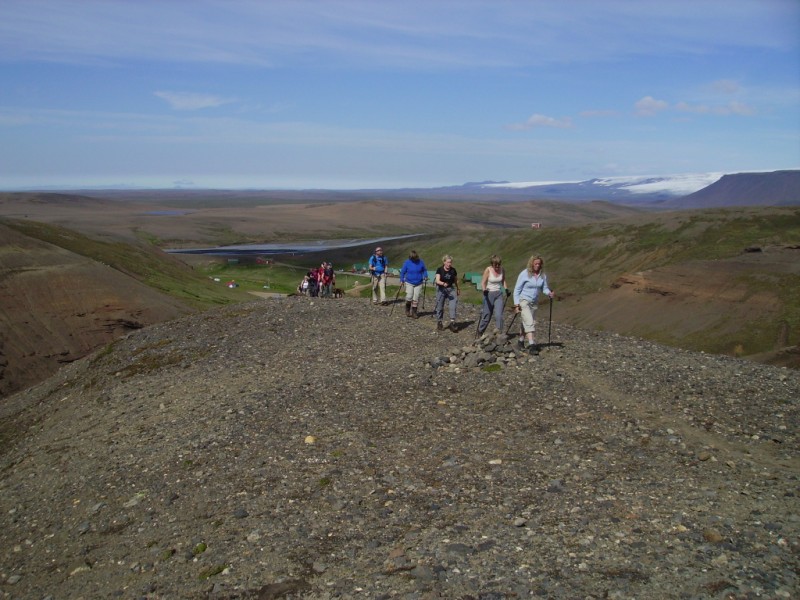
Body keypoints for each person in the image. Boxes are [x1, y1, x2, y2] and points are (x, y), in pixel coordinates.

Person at [512, 255, 555, 355]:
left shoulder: (542, 275)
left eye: (539, 264)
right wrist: (516, 304)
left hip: (534, 302)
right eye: (536, 263)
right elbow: (517, 289)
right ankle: (532, 345)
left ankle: (520, 341)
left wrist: (549, 293)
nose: (537, 265)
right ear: (531, 263)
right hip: (524, 301)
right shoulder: (524, 274)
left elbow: (544, 288)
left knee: (527, 322)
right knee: (529, 322)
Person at [477, 255, 508, 335]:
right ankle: (480, 331)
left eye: (498, 265)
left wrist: (506, 289)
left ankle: (499, 332)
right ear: (492, 264)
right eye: (495, 265)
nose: (497, 267)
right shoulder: (488, 270)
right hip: (489, 293)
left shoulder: (502, 269)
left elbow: (503, 280)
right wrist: (484, 290)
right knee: (487, 315)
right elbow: (483, 282)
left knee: (499, 315)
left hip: (498, 294)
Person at [434, 254, 460, 332]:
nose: (449, 264)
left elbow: (456, 280)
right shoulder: (439, 270)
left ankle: (452, 322)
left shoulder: (453, 270)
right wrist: (443, 283)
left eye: (450, 262)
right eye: (448, 262)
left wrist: (458, 288)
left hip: (450, 288)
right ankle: (439, 322)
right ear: (444, 262)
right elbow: (437, 280)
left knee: (453, 303)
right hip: (441, 289)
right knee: (440, 306)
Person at [399, 250, 428, 318]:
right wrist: (401, 279)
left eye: (415, 258)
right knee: (409, 296)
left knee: (416, 298)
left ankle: (414, 312)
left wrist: (425, 276)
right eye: (412, 258)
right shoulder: (407, 262)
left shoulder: (421, 262)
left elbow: (424, 270)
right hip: (409, 282)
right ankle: (407, 309)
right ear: (410, 257)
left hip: (419, 282)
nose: (414, 259)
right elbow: (403, 272)